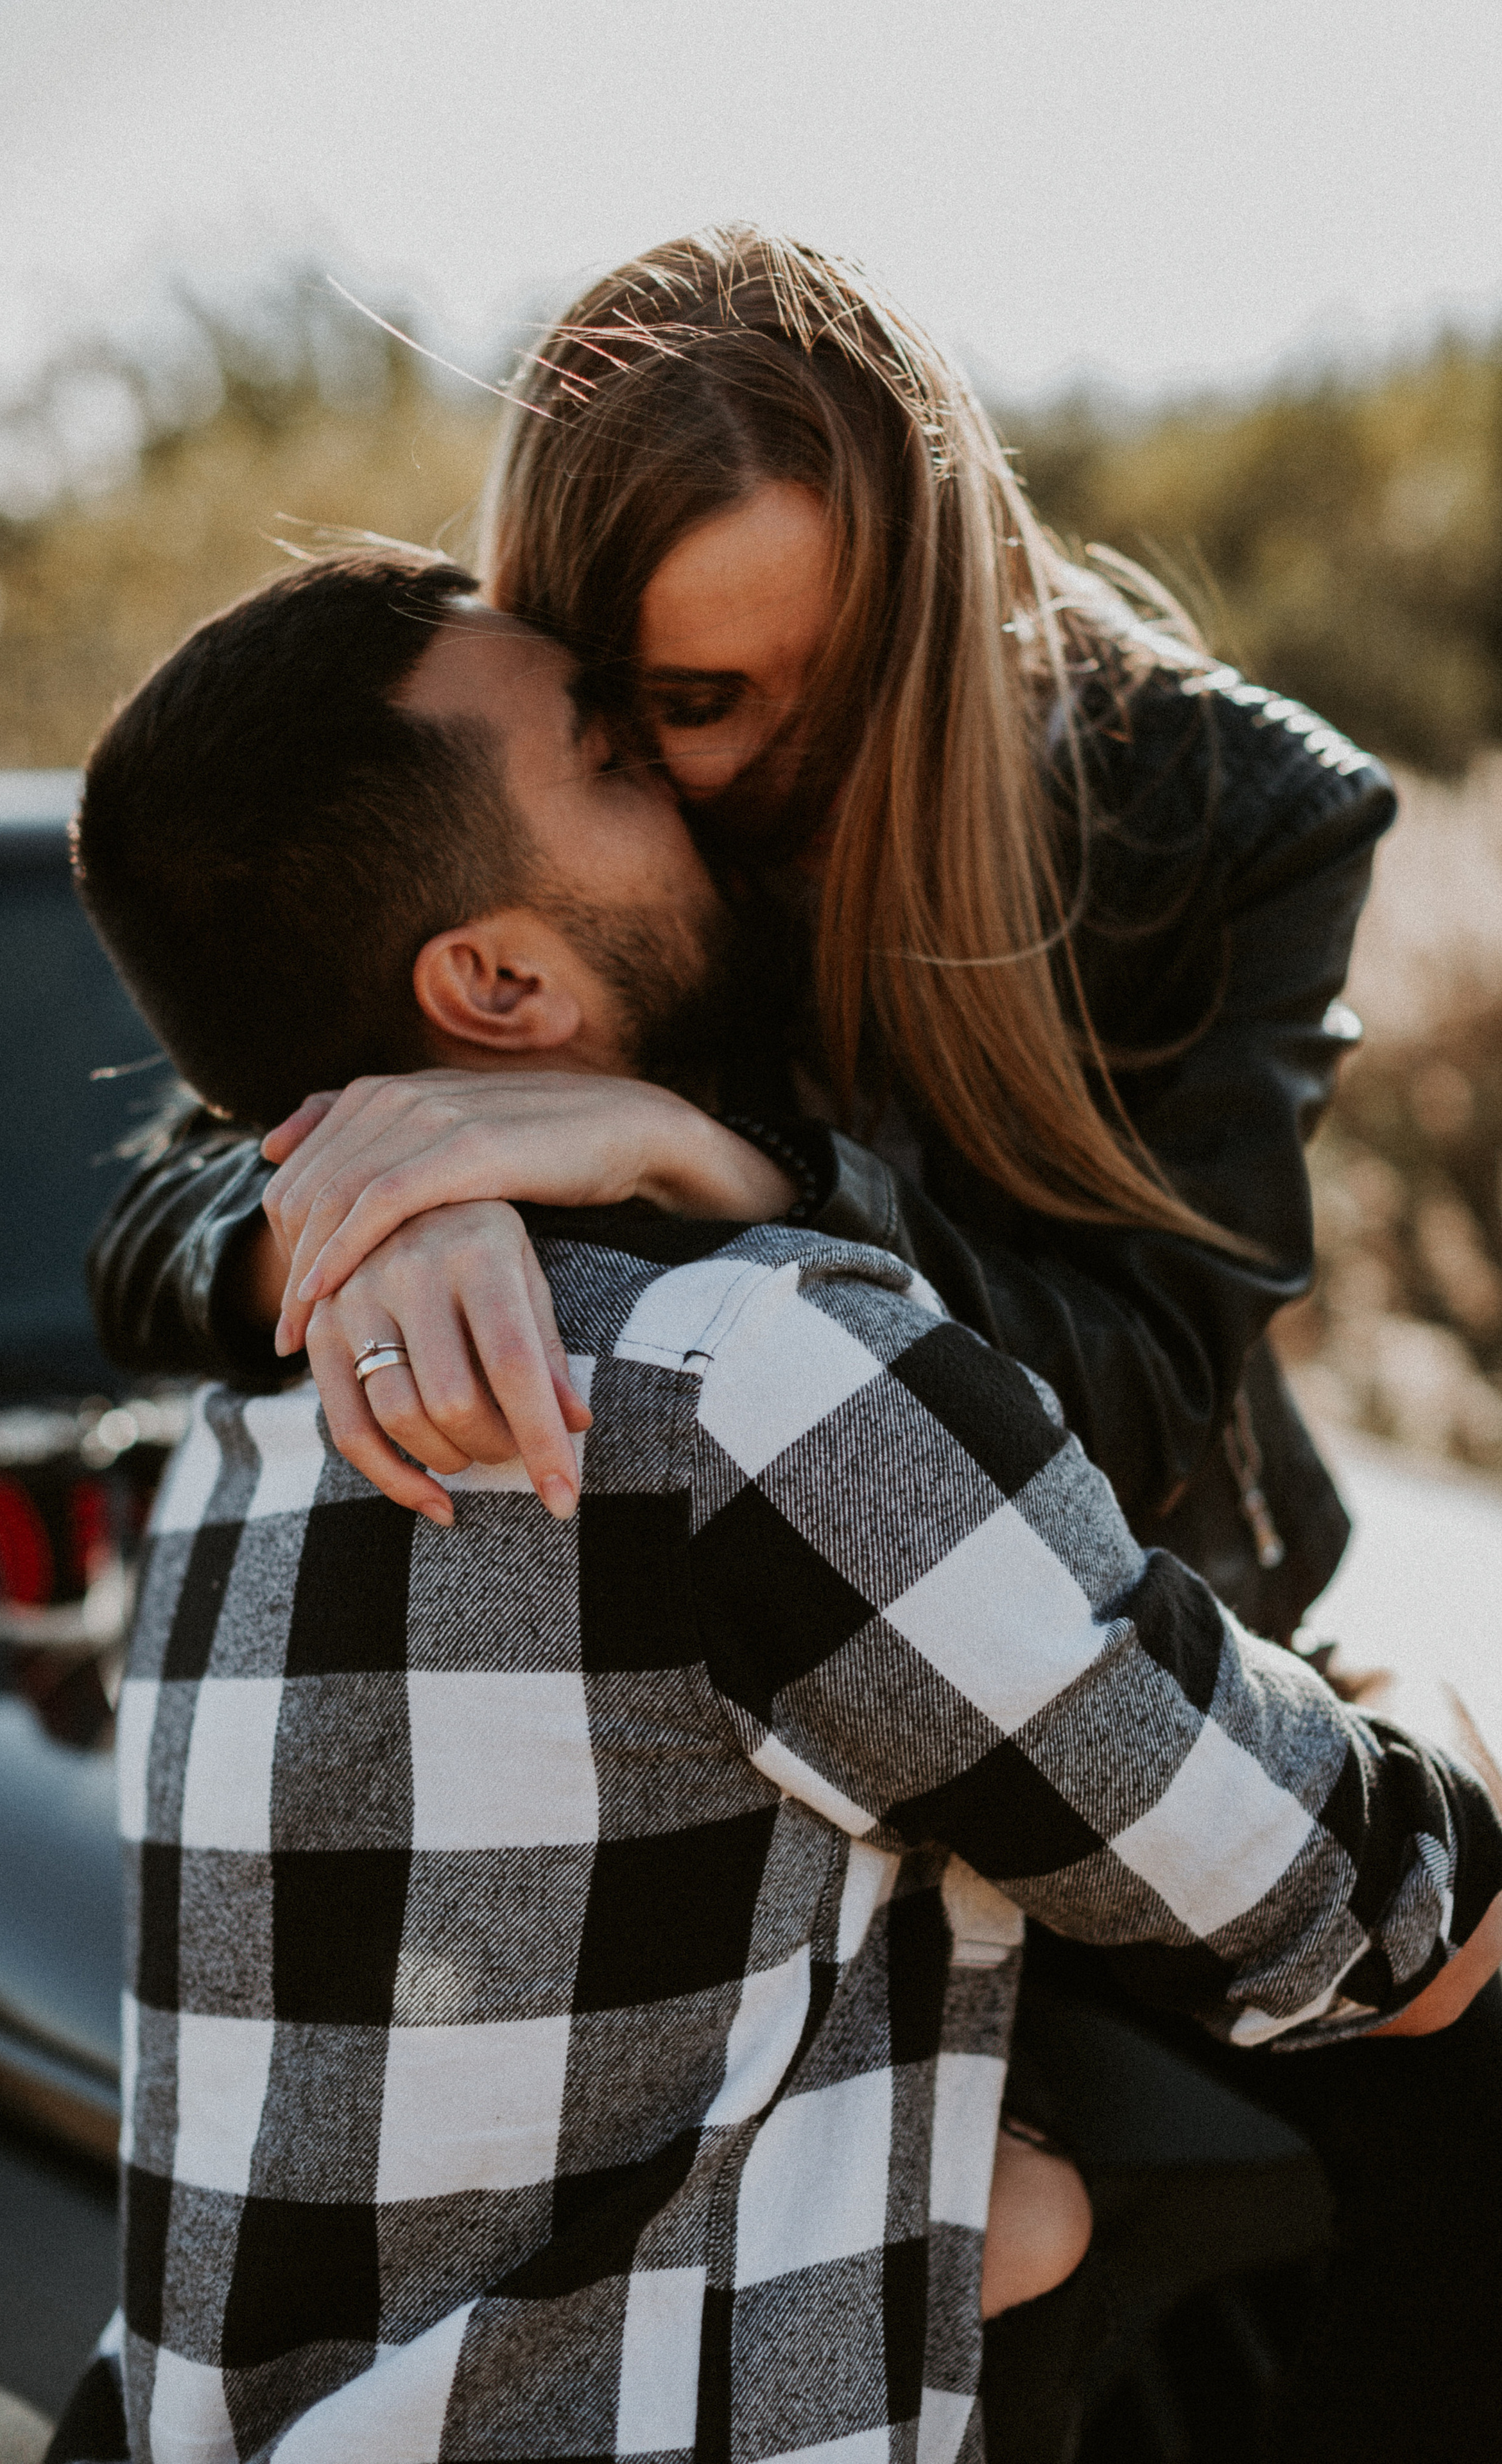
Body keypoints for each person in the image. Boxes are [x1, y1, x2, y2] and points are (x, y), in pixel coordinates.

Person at [51, 553, 1502, 2464]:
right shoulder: (744, 1377)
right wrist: (1435, 1755)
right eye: (627, 751)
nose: (719, 795)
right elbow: (1370, 1912)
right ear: (494, 980)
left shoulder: (221, 1467)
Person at [87, 226, 1392, 1660]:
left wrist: (723, 1163)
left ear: (944, 617)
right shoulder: (566, 835)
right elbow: (167, 1202)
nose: (799, 773)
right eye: (697, 703)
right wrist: (398, 1211)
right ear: (577, 665)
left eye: (861, 685)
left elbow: (1141, 1414)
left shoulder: (1230, 814)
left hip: (1185, 1651)